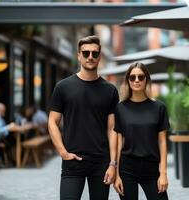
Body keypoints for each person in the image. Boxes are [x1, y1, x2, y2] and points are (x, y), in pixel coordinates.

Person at [48, 35, 119, 200]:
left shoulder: (110, 90)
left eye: (95, 53)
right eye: (86, 53)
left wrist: (113, 163)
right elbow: (52, 122)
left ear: (100, 56)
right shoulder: (63, 87)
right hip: (72, 161)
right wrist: (63, 152)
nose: (90, 57)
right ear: (78, 55)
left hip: (101, 162)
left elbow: (112, 129)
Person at [113, 62, 170, 200]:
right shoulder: (120, 108)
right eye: (132, 77)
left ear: (146, 80)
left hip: (151, 169)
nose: (136, 80)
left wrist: (163, 173)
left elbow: (162, 142)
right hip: (127, 169)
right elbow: (119, 142)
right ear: (128, 81)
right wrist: (117, 174)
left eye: (140, 77)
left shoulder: (159, 108)